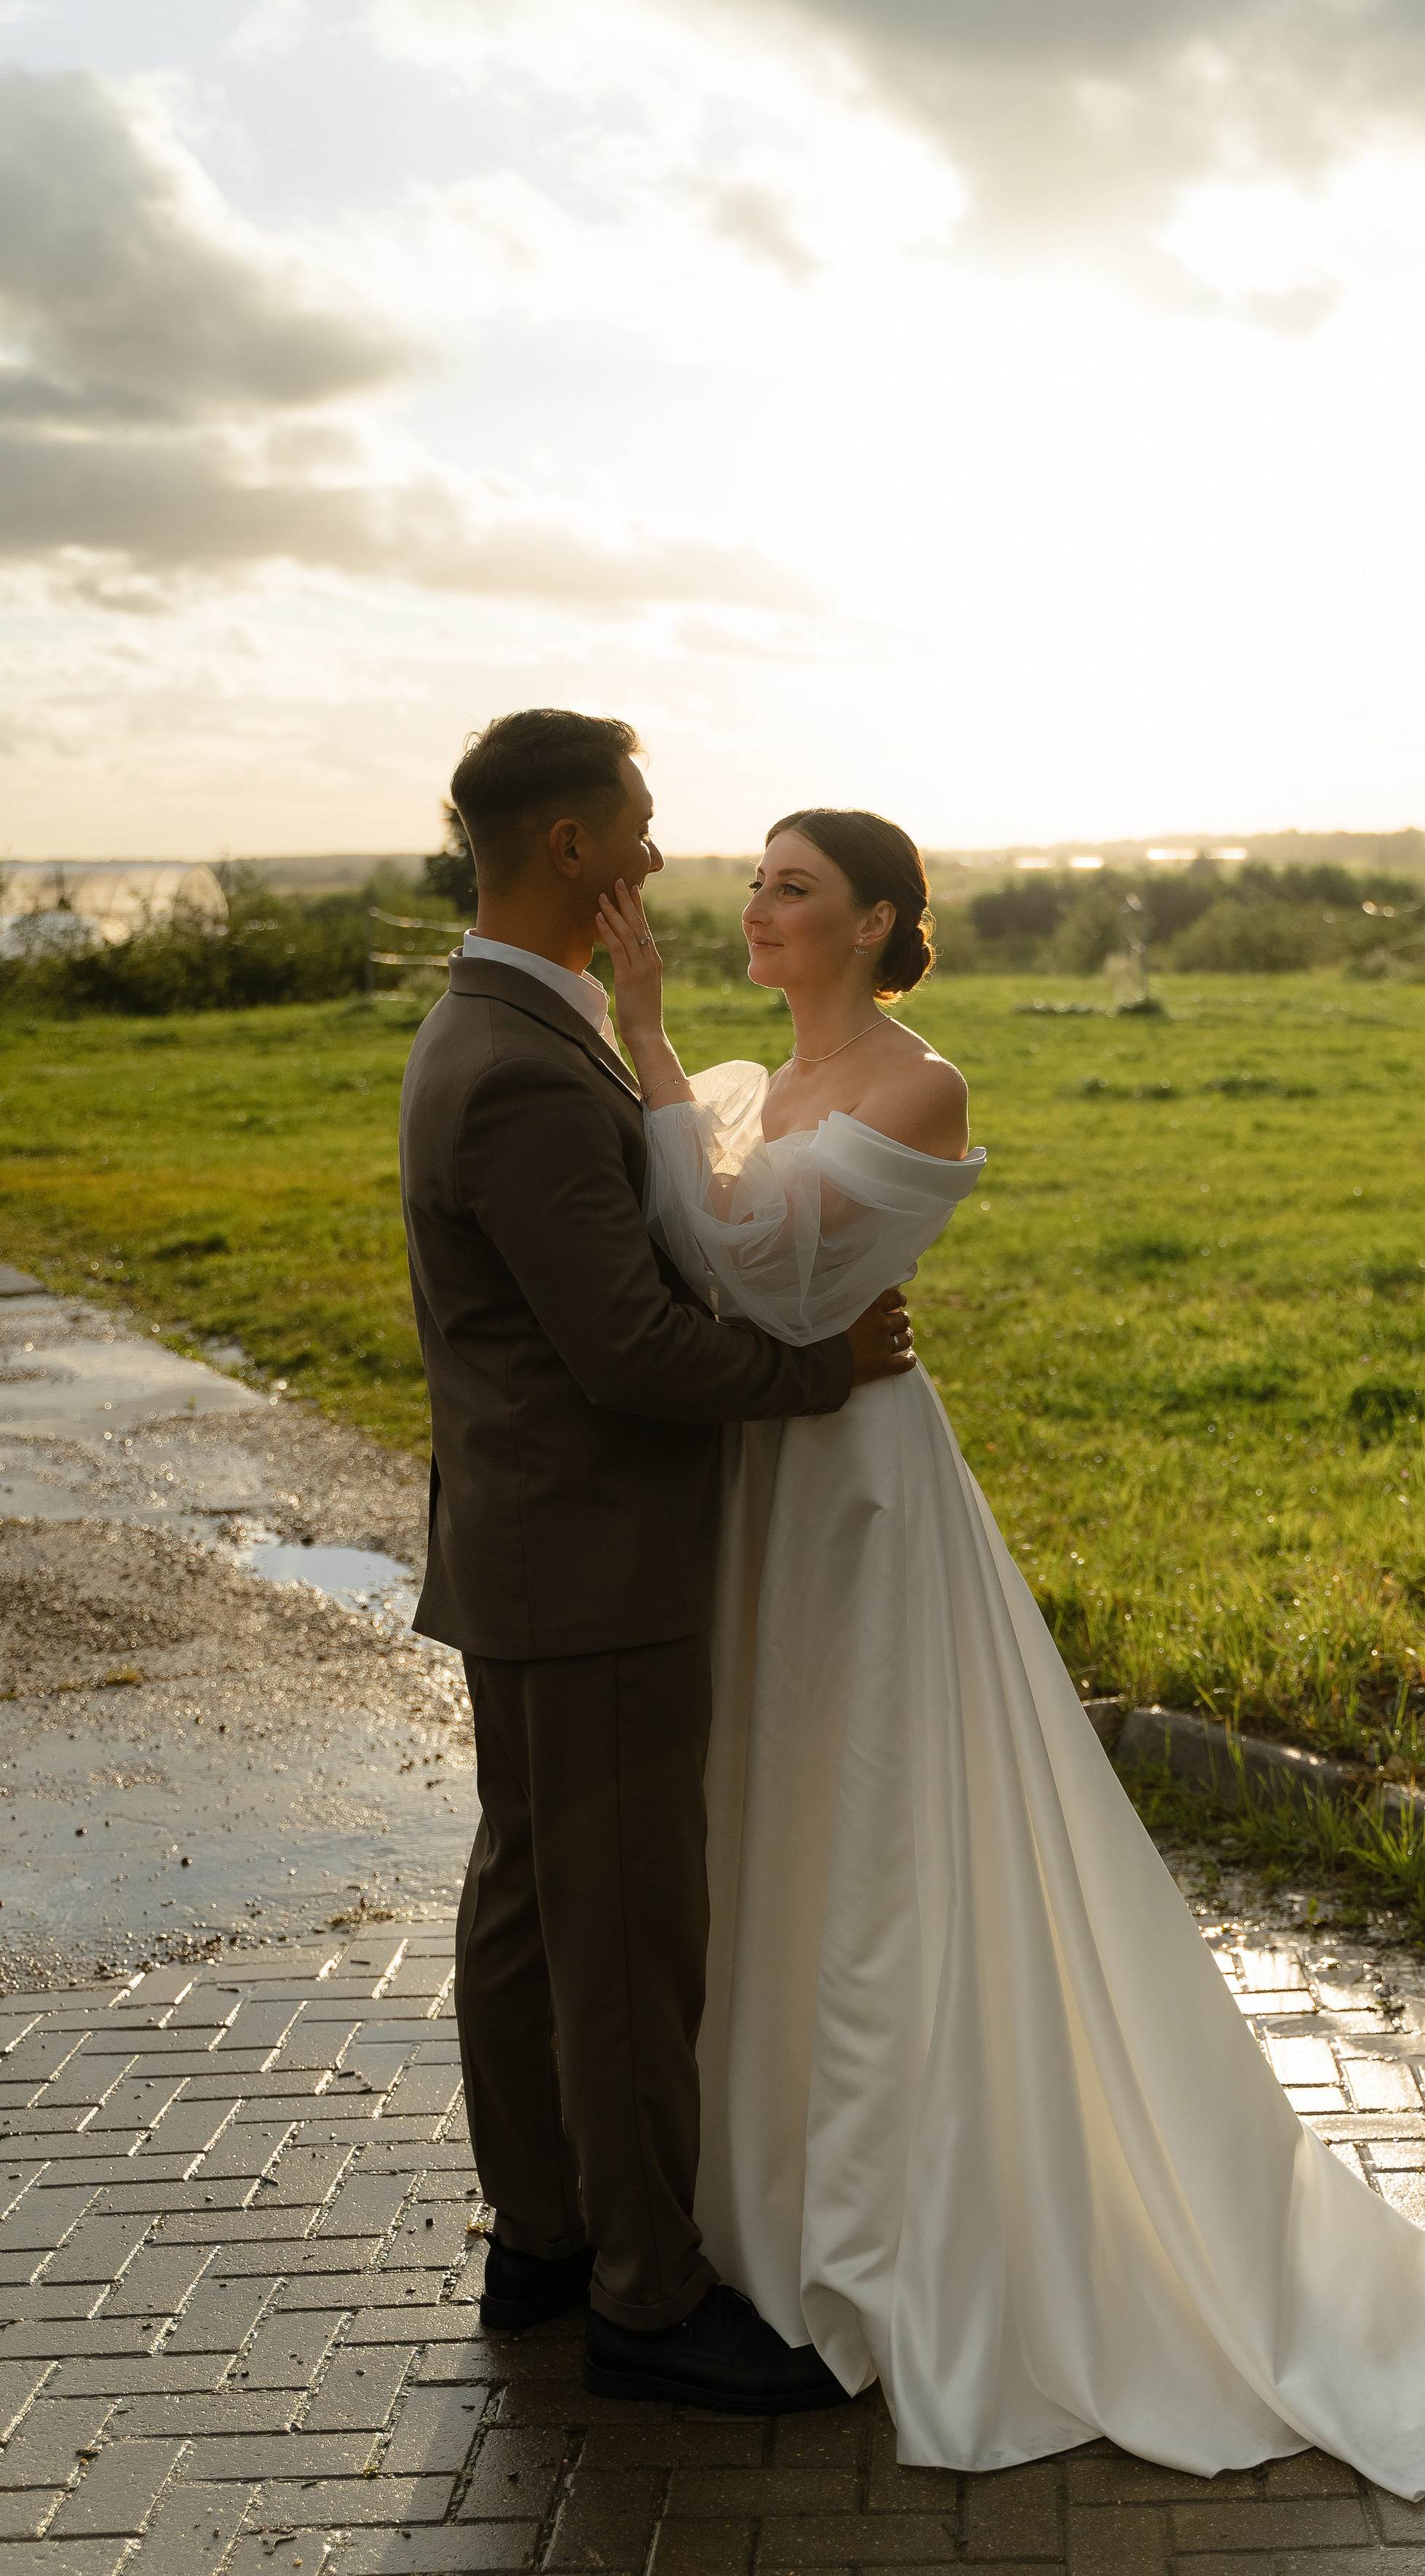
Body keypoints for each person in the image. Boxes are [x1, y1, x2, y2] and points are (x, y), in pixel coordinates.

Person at [591, 803, 1425, 2487]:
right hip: (754, 1484)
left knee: (871, 1847)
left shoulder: (920, 1084)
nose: (755, 907)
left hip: (855, 1494)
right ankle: (762, 2219)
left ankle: (887, 2241)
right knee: (758, 1832)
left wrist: (637, 1036)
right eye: (757, 881)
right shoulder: (732, 1089)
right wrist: (661, 1075)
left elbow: (746, 1267)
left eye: (794, 887)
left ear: (875, 922)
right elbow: (698, 1254)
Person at [399, 710, 917, 2417]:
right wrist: (813, 1374)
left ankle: (541, 2239)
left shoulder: (499, 1029)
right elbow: (625, 1347)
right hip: (593, 1553)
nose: (655, 845)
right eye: (634, 818)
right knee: (619, 1932)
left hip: (525, 1540)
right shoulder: (518, 1068)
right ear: (566, 847)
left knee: (533, 1900)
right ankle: (640, 2293)